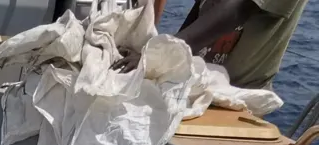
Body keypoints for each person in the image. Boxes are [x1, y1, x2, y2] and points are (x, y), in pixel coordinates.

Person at [121, 0, 308, 91]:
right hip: (190, 82)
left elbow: (240, 8)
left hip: (238, 95)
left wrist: (161, 53)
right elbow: (201, 10)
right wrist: (167, 62)